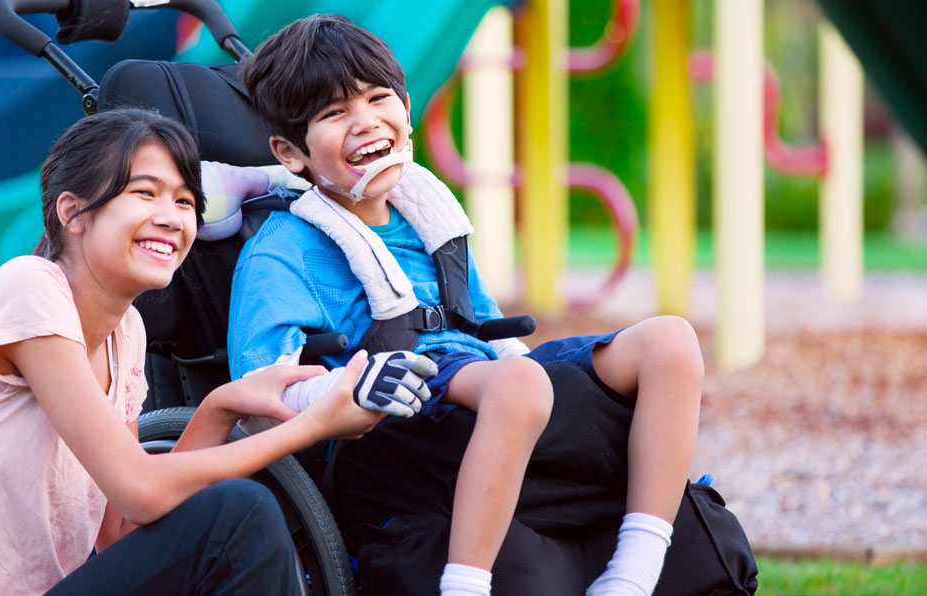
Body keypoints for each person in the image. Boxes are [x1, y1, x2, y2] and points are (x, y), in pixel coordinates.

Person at [228, 15, 704, 596]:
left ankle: (633, 573)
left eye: (379, 98)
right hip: (391, 405)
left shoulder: (427, 216)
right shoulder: (284, 249)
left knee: (670, 341)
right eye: (333, 114)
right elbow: (259, 385)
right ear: (290, 152)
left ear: (405, 107)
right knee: (519, 385)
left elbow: (485, 326)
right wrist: (340, 390)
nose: (365, 122)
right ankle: (466, 586)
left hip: (475, 375)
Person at [0, 108, 385, 596]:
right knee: (238, 514)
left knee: (228, 523)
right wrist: (313, 426)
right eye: (145, 193)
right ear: (73, 213)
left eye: (186, 201)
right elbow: (141, 488)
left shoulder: (126, 332)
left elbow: (122, 528)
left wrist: (221, 406)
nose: (171, 218)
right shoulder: (27, 288)